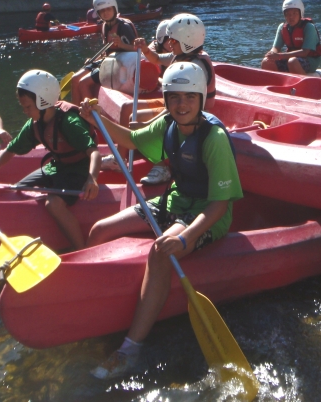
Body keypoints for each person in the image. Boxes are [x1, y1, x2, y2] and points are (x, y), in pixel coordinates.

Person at [82, 62, 243, 379]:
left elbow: (219, 206)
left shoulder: (214, 138)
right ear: (167, 99)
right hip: (174, 201)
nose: (182, 105)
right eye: (175, 97)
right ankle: (89, 298)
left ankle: (130, 348)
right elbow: (132, 139)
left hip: (205, 214)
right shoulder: (168, 123)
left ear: (201, 98)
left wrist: (184, 238)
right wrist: (97, 118)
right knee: (100, 230)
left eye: (189, 97)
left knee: (159, 252)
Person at [0, 70, 101, 250]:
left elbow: (94, 152)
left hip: (79, 170)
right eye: (23, 107)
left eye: (28, 107)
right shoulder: (35, 124)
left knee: (53, 204)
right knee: (18, 189)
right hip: (57, 167)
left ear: (43, 102)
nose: (25, 112)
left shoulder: (70, 122)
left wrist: (92, 178)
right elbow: (11, 150)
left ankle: (82, 248)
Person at [127, 14, 216, 185]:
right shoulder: (179, 56)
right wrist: (145, 49)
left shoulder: (195, 67)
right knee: (133, 116)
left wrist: (147, 125)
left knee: (143, 123)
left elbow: (180, 108)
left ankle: (162, 167)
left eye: (173, 40)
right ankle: (123, 156)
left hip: (194, 114)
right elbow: (156, 59)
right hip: (178, 108)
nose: (169, 44)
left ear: (187, 41)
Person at [75, 0, 138, 103]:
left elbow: (138, 50)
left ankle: (90, 112)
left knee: (83, 83)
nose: (105, 13)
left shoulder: (124, 27)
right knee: (75, 78)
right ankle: (75, 110)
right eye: (102, 11)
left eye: (108, 9)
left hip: (120, 66)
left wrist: (121, 44)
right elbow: (107, 52)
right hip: (109, 62)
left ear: (114, 8)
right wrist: (93, 59)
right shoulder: (105, 26)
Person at [261, 0, 321, 75]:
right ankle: (275, 82)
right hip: (290, 58)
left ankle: (304, 82)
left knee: (293, 62)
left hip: (310, 59)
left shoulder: (309, 27)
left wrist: (279, 56)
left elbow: (305, 52)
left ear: (300, 13)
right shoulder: (282, 27)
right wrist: (271, 55)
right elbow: (276, 48)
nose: (291, 17)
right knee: (266, 62)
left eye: (294, 13)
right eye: (288, 14)